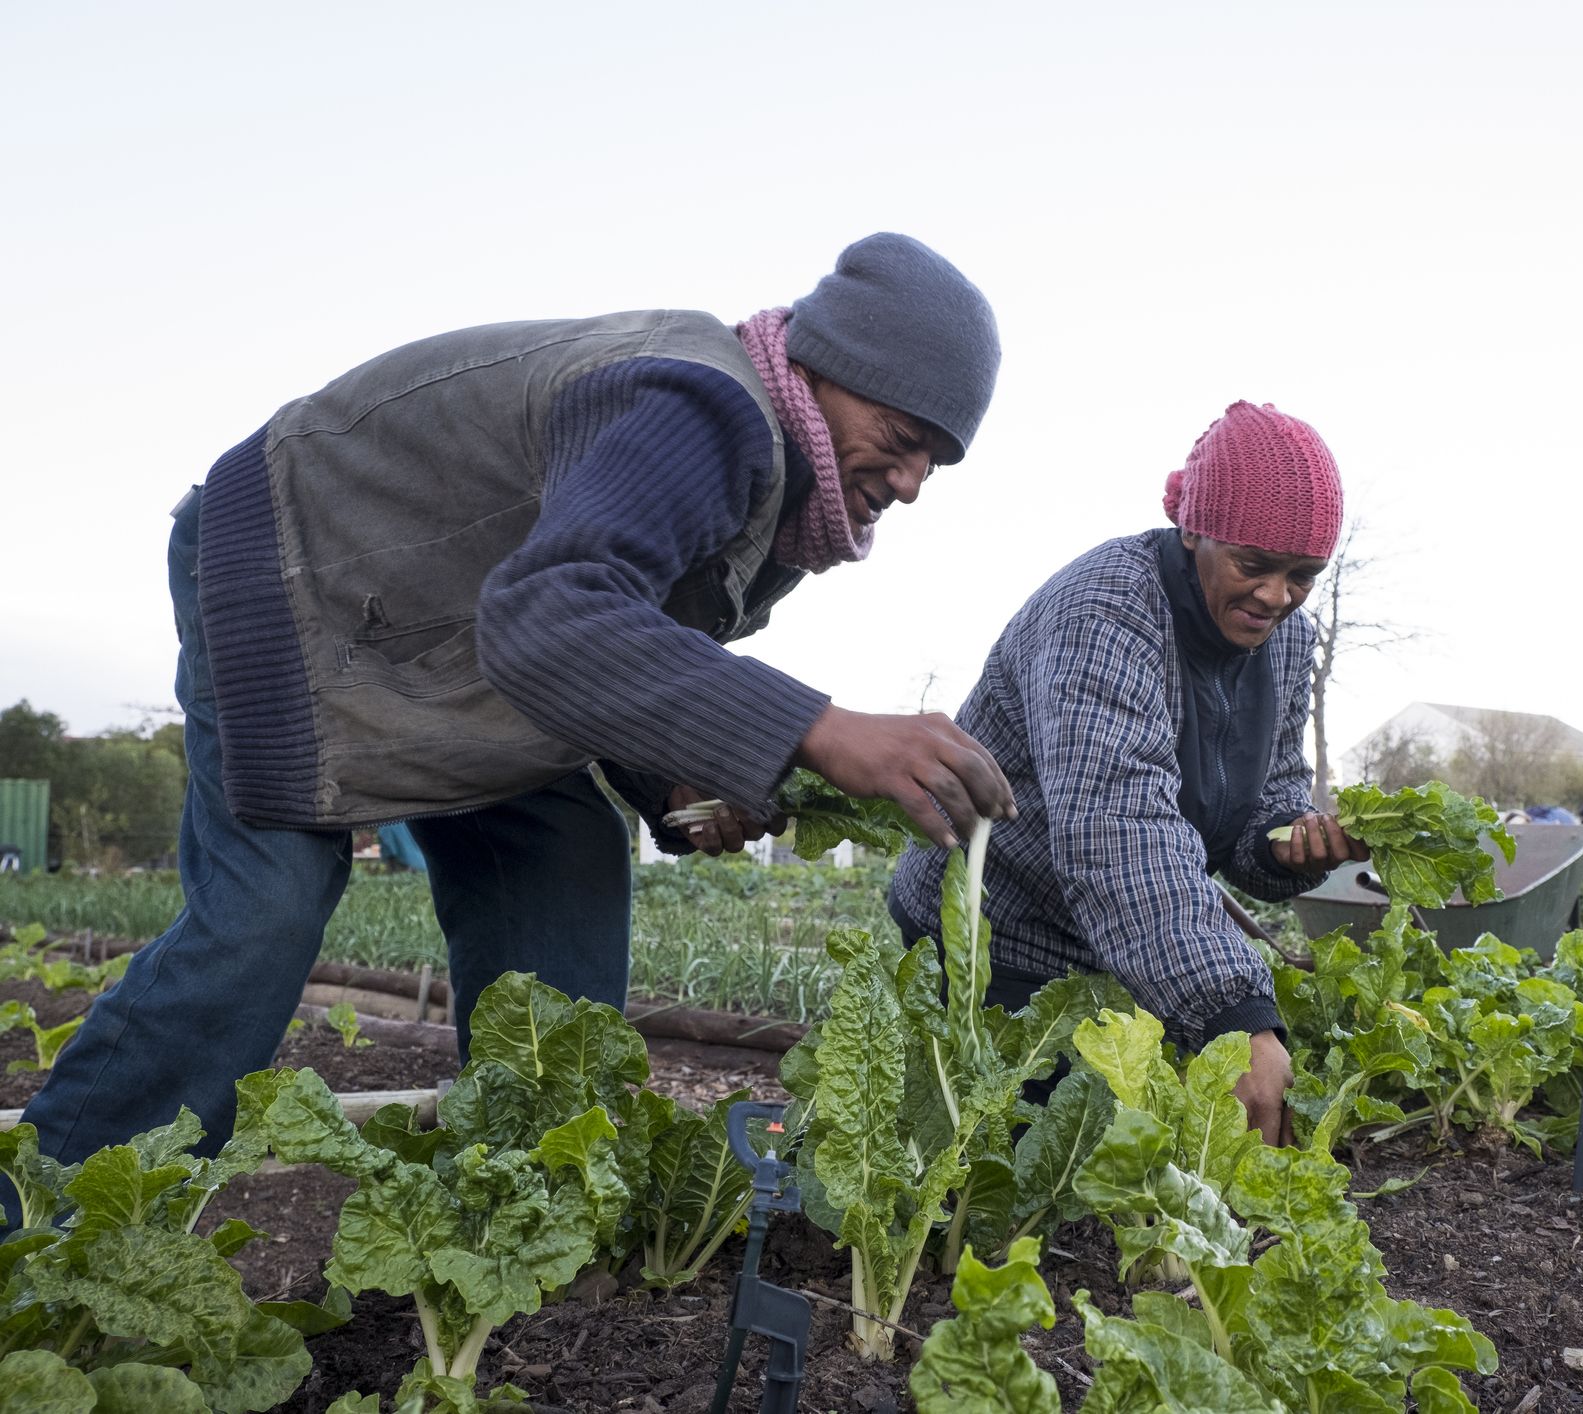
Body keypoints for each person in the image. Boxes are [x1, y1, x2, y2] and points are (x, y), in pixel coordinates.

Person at [20, 233, 1014, 1166]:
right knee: (263, 911)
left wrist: (674, 781)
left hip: (467, 651)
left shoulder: (786, 507)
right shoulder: (704, 409)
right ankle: (54, 1204)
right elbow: (550, 611)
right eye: (904, 433)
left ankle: (516, 1200)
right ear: (829, 367)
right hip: (299, 570)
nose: (916, 480)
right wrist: (819, 729)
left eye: (939, 457)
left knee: (563, 863)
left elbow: (612, 645)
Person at [890, 402, 1365, 1144]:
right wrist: (1229, 1014)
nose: (1276, 596)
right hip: (997, 938)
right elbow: (1117, 829)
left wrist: (1283, 847)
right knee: (990, 1179)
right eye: (1252, 565)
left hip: (1122, 949)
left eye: (1302, 575)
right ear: (1193, 532)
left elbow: (1267, 794)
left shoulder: (1284, 641)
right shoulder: (1105, 610)